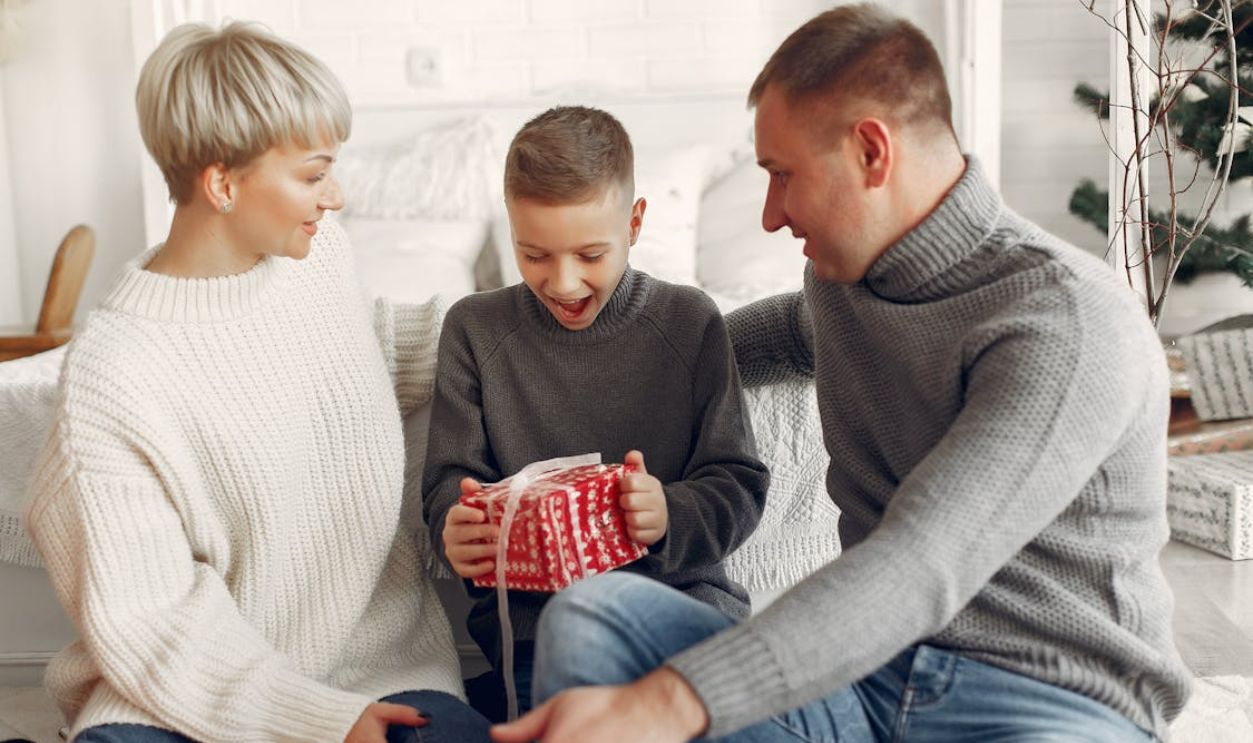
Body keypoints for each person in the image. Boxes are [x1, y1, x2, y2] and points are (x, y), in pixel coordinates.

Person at [491, 5, 1192, 742]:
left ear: (870, 152)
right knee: (593, 616)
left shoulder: (1068, 325)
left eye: (781, 175)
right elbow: (770, 336)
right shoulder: (842, 284)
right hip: (863, 681)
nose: (770, 215)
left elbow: (921, 563)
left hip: (1047, 705)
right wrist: (624, 361)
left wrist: (666, 704)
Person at [24, 21, 492, 743]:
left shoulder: (317, 259)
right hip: (185, 696)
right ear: (222, 183)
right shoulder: (113, 371)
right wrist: (316, 720)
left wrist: (518, 324)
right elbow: (152, 620)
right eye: (312, 175)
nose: (335, 196)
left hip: (376, 671)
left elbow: (367, 348)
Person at [422, 105, 770, 722]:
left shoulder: (690, 323)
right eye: (534, 255)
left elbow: (738, 484)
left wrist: (667, 514)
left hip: (678, 621)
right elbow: (450, 483)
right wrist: (457, 528)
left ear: (634, 224)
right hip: (532, 636)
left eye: (589, 255)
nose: (563, 283)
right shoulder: (473, 330)